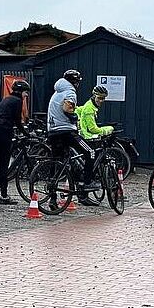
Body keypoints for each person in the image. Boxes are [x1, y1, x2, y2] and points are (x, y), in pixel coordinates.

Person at [47, 69, 100, 206]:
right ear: (75, 82)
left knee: (58, 161)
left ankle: (52, 198)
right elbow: (67, 109)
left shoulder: (57, 93)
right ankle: (87, 182)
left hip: (53, 131)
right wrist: (74, 117)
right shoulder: (70, 92)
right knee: (90, 152)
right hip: (66, 132)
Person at [0, 79, 30, 205]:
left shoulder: (7, 99)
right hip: (4, 131)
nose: (26, 95)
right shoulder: (17, 101)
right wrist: (26, 133)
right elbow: (17, 120)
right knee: (4, 162)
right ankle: (4, 195)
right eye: (25, 92)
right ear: (20, 91)